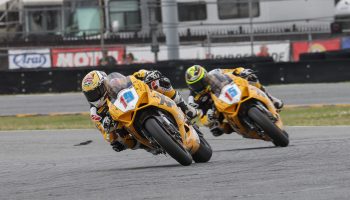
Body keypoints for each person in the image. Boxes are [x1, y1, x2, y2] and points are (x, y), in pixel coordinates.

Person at [81, 69, 198, 153]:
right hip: (123, 119)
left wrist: (147, 74)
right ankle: (148, 146)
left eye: (95, 92)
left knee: (158, 83)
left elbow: (134, 76)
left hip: (137, 100)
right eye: (89, 95)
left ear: (104, 84)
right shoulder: (95, 113)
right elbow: (106, 134)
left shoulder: (115, 82)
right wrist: (109, 131)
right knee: (121, 141)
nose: (93, 97)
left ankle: (185, 107)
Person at [185, 65, 283, 137]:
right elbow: (200, 115)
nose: (199, 86)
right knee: (218, 128)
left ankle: (271, 99)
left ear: (206, 76)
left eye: (201, 82)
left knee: (252, 79)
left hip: (229, 92)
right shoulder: (193, 99)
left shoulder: (215, 73)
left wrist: (242, 71)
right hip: (217, 109)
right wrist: (208, 119)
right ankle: (237, 128)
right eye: (195, 85)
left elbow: (232, 71)